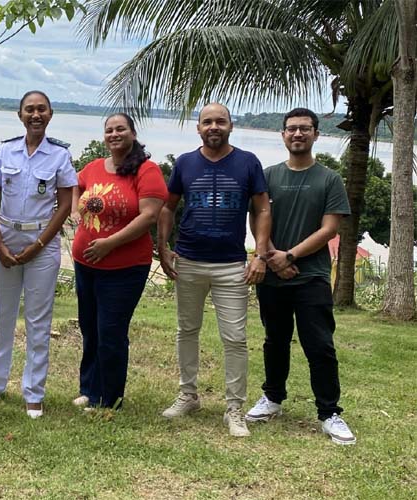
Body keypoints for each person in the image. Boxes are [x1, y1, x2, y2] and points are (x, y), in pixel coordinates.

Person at [157, 103, 271, 437]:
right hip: (189, 262)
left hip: (232, 265)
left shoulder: (248, 162)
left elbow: (262, 209)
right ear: (198, 128)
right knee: (186, 330)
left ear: (231, 126)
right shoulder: (185, 163)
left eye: (220, 121)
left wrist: (260, 255)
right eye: (207, 122)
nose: (213, 127)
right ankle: (188, 394)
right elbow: (167, 207)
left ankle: (234, 407)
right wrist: (163, 247)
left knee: (235, 338)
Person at [244, 108, 355, 445]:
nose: (297, 134)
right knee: (274, 340)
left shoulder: (329, 179)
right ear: (283, 135)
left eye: (304, 129)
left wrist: (289, 256)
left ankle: (329, 412)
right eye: (291, 129)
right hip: (273, 276)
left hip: (312, 277)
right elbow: (258, 219)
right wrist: (272, 257)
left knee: (319, 345)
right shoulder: (268, 176)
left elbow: (329, 229)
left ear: (316, 135)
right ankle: (273, 398)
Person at [0, 90, 77, 419]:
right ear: (20, 115)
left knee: (38, 320)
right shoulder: (5, 152)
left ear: (50, 114)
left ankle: (34, 393)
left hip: (42, 244)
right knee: (2, 316)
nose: (36, 115)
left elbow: (64, 205)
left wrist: (38, 245)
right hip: (5, 238)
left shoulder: (60, 156)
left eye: (41, 110)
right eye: (29, 110)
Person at [70, 113, 168, 410]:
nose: (114, 134)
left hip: (124, 267)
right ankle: (90, 388)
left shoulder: (146, 170)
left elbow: (149, 216)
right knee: (90, 328)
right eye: (109, 130)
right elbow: (75, 185)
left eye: (120, 129)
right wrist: (75, 212)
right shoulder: (94, 167)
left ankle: (110, 397)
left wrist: (109, 244)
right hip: (85, 264)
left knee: (111, 331)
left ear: (133, 133)